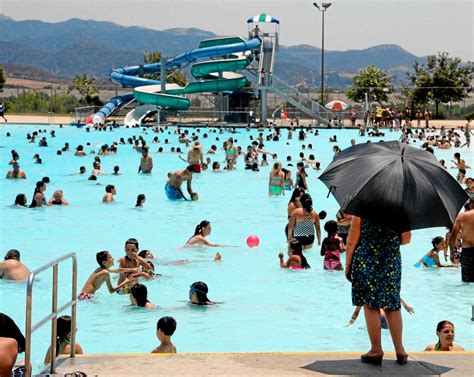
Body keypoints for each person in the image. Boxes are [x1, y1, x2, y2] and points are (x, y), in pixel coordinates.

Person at [345, 216, 411, 365]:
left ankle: (376, 350)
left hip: (366, 260)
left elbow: (351, 242)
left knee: (370, 304)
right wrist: (387, 239)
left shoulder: (362, 211)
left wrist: (348, 265)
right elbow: (406, 239)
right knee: (393, 304)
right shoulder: (400, 211)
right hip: (390, 261)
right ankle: (400, 350)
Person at [449, 198, 474, 282]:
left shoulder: (462, 216)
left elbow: (453, 235)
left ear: (470, 205)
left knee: (467, 282)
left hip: (467, 252)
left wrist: (452, 250)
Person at [347, 299, 415, 328]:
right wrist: (406, 306)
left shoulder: (365, 297)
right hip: (387, 320)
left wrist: (350, 323)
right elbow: (395, 295)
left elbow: (355, 313)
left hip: (378, 320)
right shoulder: (382, 290)